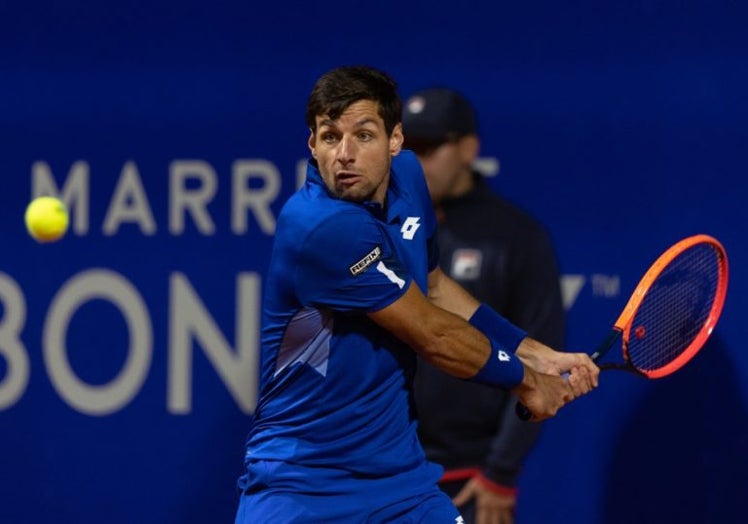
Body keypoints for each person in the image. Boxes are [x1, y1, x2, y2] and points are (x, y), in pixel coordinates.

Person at [234, 65, 598, 523]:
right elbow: (431, 334)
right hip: (305, 487)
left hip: (401, 487)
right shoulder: (321, 227)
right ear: (312, 144)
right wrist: (527, 382)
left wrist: (535, 353)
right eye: (329, 137)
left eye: (363, 135)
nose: (344, 154)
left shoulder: (408, 177)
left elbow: (436, 286)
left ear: (395, 141)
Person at [403, 87, 566, 524]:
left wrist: (500, 471)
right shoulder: (382, 229)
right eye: (406, 148)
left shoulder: (517, 237)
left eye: (429, 147)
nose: (414, 162)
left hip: (467, 477)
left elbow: (538, 351)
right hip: (385, 470)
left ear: (468, 149)